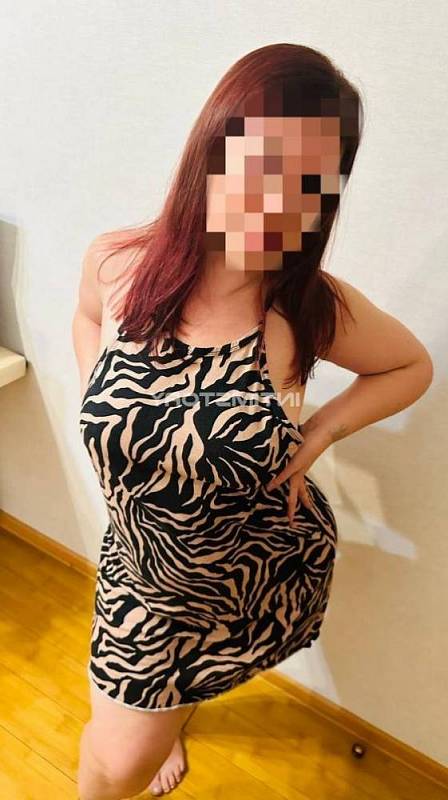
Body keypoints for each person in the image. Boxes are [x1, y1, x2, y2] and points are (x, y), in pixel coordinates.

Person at [73, 43, 433, 800]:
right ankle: (162, 720)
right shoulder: (116, 264)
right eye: (263, 165)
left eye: (309, 183)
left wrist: (320, 433)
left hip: (255, 559)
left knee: (139, 740)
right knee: (116, 764)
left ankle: (173, 713)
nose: (279, 204)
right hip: (147, 578)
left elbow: (410, 366)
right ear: (213, 148)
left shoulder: (305, 308)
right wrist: (98, 400)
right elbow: (85, 319)